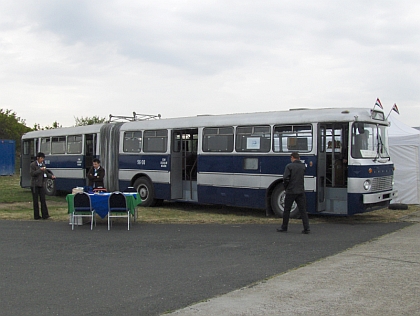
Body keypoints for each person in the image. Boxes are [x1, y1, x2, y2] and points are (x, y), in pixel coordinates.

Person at [277, 152, 310, 234]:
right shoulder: (303, 166)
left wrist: (286, 187)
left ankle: (284, 227)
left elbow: (286, 178)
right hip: (300, 191)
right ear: (299, 157)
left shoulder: (289, 166)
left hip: (291, 191)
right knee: (303, 210)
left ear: (292, 157)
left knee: (287, 210)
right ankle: (306, 228)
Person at [30, 152, 56, 220]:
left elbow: (46, 173)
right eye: (41, 158)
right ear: (38, 158)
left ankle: (45, 215)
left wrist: (51, 176)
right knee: (35, 201)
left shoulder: (43, 165)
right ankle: (36, 216)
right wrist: (40, 170)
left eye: (43, 158)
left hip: (41, 184)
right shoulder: (33, 165)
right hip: (35, 185)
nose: (42, 160)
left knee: (43, 200)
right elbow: (32, 174)